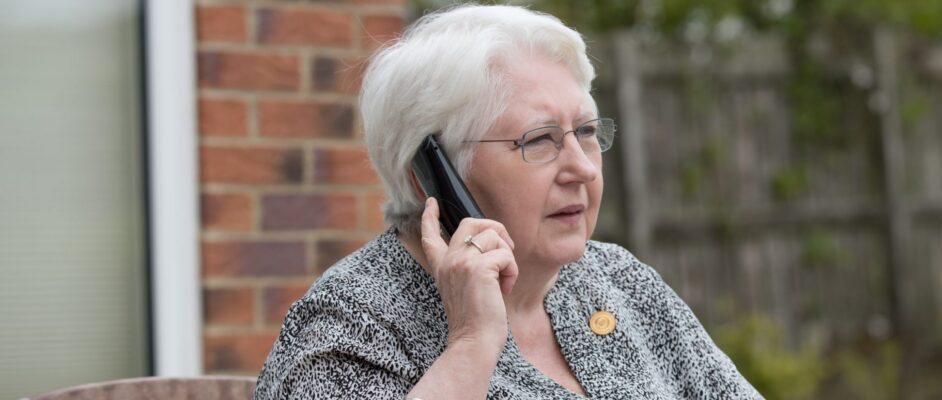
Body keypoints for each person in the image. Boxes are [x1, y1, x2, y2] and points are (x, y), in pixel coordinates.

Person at [254, 4, 760, 399]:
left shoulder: (618, 281)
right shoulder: (352, 325)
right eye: (538, 140)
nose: (582, 167)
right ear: (432, 177)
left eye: (584, 131)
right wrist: (472, 344)